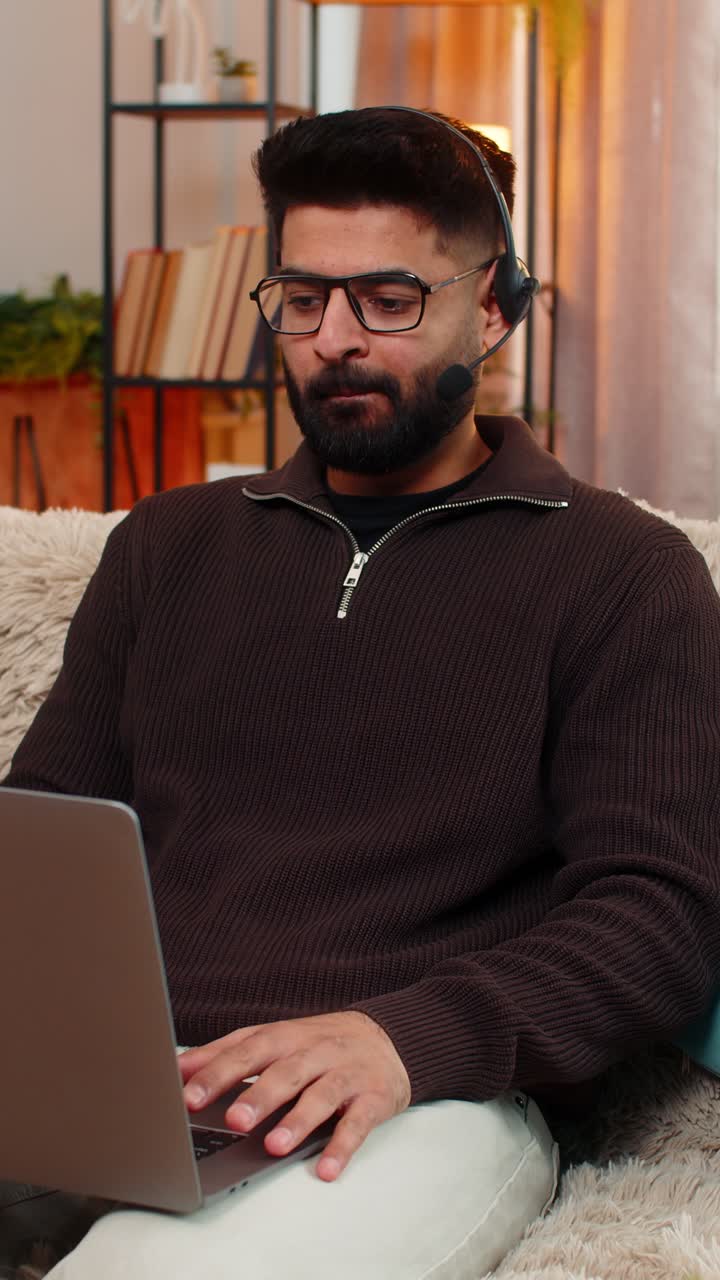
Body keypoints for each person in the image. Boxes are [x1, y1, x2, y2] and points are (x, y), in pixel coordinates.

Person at [3, 106, 720, 1280]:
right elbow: (40, 844)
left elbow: (661, 915)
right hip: (132, 1085)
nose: (334, 337)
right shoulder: (166, 546)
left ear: (493, 307)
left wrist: (409, 1035)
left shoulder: (621, 573)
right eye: (302, 297)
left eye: (389, 299)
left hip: (420, 1097)